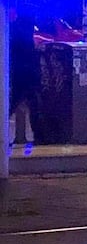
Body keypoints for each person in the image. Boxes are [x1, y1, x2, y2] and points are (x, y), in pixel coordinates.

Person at [9, 12, 40, 145]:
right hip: (27, 75)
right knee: (30, 105)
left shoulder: (15, 33)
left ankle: (20, 136)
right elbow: (31, 57)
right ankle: (35, 136)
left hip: (19, 74)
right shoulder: (26, 38)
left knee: (17, 105)